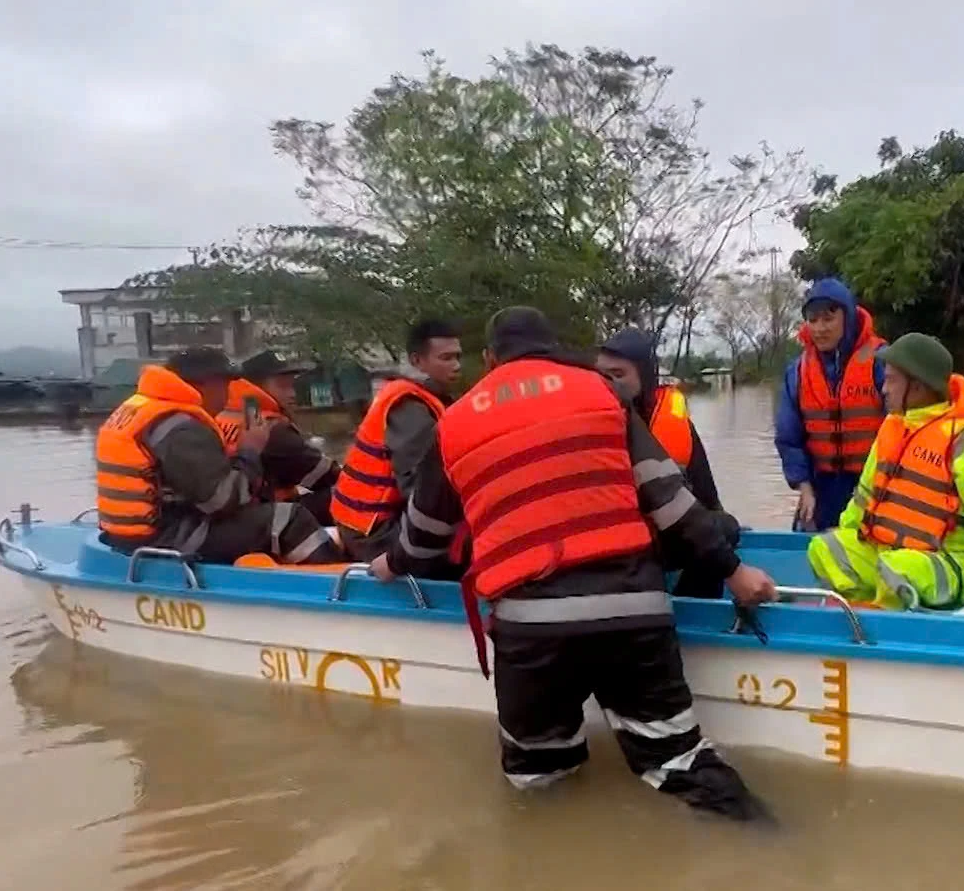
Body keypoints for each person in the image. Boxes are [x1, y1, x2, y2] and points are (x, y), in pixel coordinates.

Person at [378, 306, 779, 821]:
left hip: (533, 632)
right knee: (679, 763)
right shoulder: (602, 392)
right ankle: (777, 844)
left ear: (490, 358)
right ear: (553, 348)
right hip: (632, 612)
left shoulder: (455, 422)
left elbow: (425, 535)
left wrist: (390, 564)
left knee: (539, 784)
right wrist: (735, 572)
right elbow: (673, 502)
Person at [805, 333, 964, 611]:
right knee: (824, 548)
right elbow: (863, 500)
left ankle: (879, 621)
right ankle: (861, 604)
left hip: (950, 563)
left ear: (916, 387)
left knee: (896, 569)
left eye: (891, 380)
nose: (883, 388)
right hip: (888, 549)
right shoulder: (893, 427)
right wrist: (847, 533)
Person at [94, 347, 345, 565]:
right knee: (287, 519)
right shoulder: (181, 427)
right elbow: (223, 501)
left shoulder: (145, 409)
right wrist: (250, 449)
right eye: (224, 385)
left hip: (133, 534)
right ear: (206, 383)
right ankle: (338, 584)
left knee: (278, 512)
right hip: (170, 537)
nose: (227, 395)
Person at [597, 328, 739, 599]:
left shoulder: (672, 421)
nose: (608, 383)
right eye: (602, 376)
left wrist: (716, 520)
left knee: (724, 527)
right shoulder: (589, 420)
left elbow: (705, 489)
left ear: (645, 375)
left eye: (618, 375)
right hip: (612, 542)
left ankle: (693, 603)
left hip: (661, 533)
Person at [331, 318, 463, 564]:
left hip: (365, 522)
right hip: (374, 532)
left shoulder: (430, 399)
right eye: (446, 358)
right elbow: (420, 489)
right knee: (469, 549)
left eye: (458, 357)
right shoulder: (410, 408)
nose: (456, 366)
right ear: (416, 361)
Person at [774, 277, 886, 533]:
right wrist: (804, 488)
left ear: (847, 318)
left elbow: (903, 429)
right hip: (820, 488)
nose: (819, 328)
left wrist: (876, 487)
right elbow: (789, 438)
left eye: (828, 318)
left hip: (875, 487)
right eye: (812, 320)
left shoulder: (881, 361)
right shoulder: (798, 371)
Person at [215, 351, 340, 524]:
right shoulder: (270, 428)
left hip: (232, 511)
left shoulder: (222, 416)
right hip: (265, 514)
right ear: (255, 386)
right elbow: (325, 474)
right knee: (351, 493)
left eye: (292, 385)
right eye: (283, 386)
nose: (292, 394)